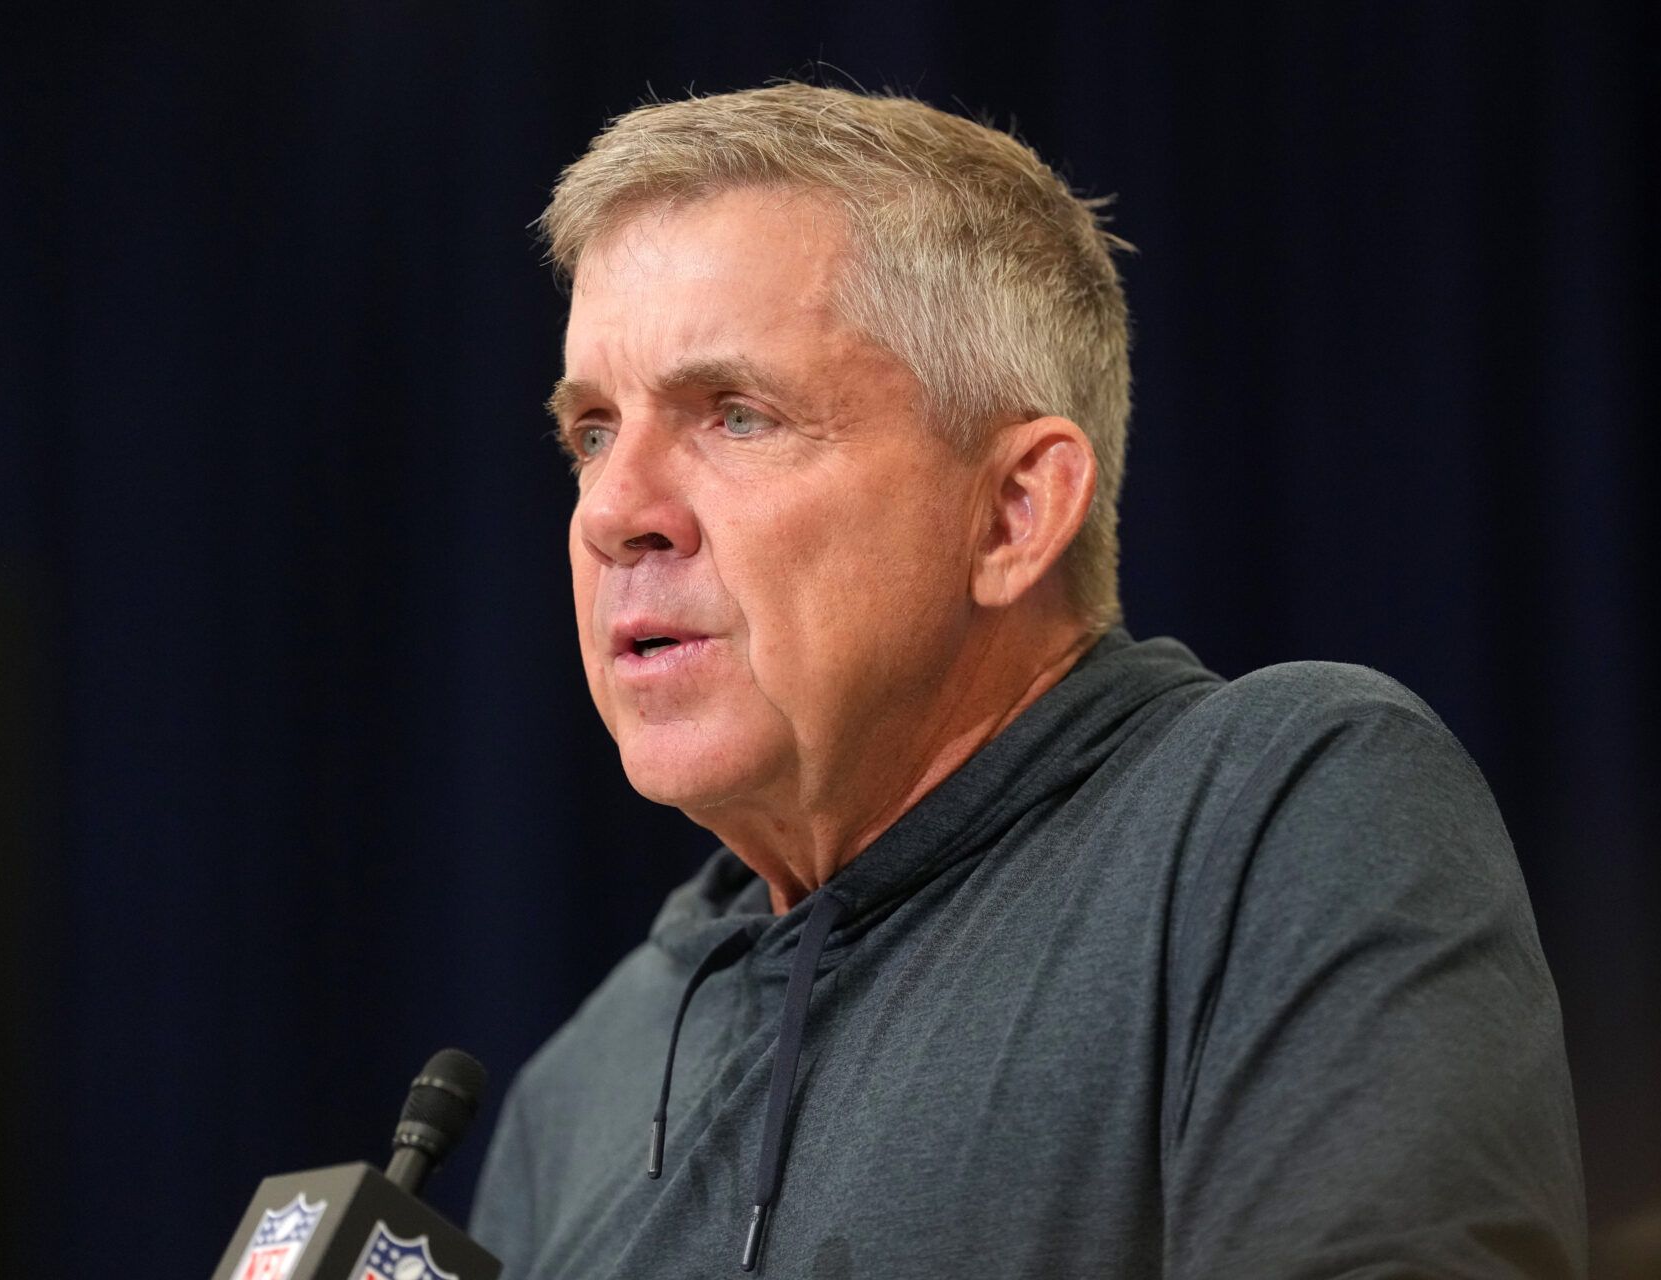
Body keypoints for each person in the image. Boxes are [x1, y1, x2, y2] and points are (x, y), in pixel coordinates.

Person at [471, 83, 1586, 1278]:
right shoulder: (583, 1081)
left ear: (1012, 511)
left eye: (736, 415)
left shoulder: (1280, 815)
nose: (614, 512)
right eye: (591, 431)